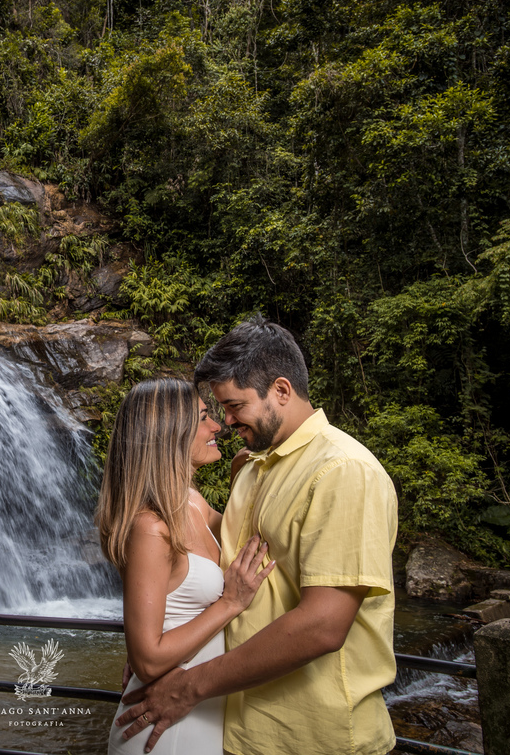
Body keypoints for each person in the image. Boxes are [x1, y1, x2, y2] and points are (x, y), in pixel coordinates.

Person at [116, 316, 398, 755]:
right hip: (234, 727)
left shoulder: (342, 471)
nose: (225, 422)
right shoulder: (250, 467)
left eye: (234, 406)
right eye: (219, 410)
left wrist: (189, 685)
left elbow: (323, 626)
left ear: (281, 391)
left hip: (311, 737)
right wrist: (154, 649)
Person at [96, 377, 275, 755]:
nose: (217, 426)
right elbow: (147, 660)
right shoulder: (151, 527)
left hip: (199, 714)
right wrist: (229, 603)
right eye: (204, 417)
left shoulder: (192, 501)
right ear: (169, 433)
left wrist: (245, 472)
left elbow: (247, 536)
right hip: (161, 731)